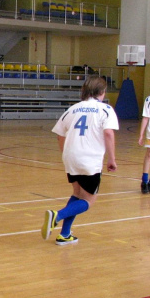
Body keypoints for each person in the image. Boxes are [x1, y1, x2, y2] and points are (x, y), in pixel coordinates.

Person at [42, 75, 118, 245]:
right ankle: (57, 216)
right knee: (89, 200)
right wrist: (111, 158)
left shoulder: (73, 109)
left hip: (70, 156)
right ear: (102, 92)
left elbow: (60, 134)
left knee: (77, 194)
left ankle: (65, 234)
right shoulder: (105, 109)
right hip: (89, 158)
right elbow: (108, 133)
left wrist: (66, 154)